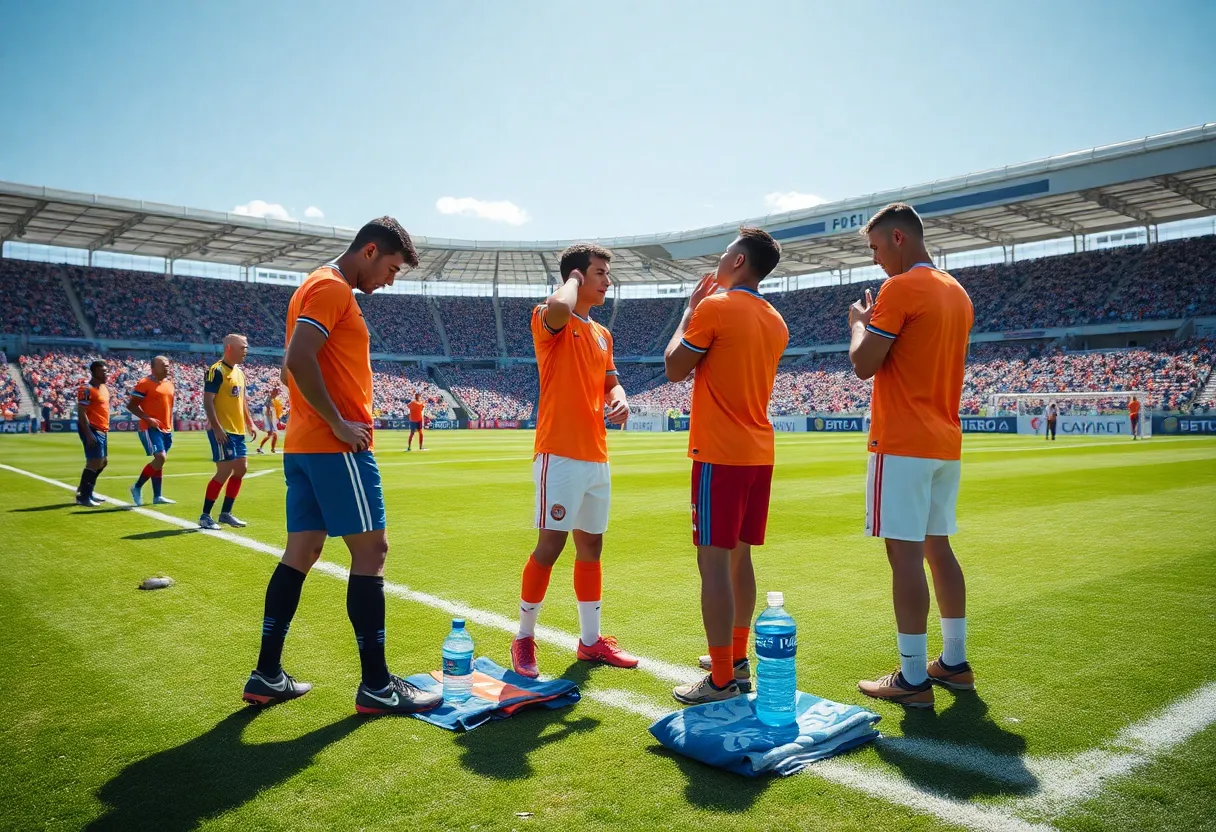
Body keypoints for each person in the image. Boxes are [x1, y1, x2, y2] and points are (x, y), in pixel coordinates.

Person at [242, 216, 441, 715]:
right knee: (372, 550)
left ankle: (266, 674)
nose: (391, 280)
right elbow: (299, 357)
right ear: (370, 251)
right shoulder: (333, 289)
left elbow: (292, 367)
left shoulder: (313, 284)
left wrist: (315, 417)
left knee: (302, 552)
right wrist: (337, 421)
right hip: (337, 448)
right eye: (392, 268)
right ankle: (376, 684)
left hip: (304, 446)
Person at [847, 202, 975, 709]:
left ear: (899, 238)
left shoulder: (900, 290)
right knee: (937, 547)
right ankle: (955, 662)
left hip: (901, 441)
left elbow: (864, 363)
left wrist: (859, 321)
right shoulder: (957, 292)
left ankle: (913, 677)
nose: (876, 260)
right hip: (945, 440)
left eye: (876, 248)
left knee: (903, 555)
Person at [662, 227, 788, 704]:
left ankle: (721, 680)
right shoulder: (776, 320)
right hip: (759, 451)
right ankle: (735, 658)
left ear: (738, 262)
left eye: (724, 253)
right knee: (740, 557)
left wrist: (689, 311)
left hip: (720, 452)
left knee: (711, 561)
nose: (719, 260)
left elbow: (674, 367)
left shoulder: (715, 307)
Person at [510, 243, 638, 679]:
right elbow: (558, 305)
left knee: (592, 545)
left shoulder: (603, 335)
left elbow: (612, 385)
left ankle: (590, 642)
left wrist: (620, 401)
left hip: (596, 455)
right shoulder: (550, 319)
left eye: (606, 273)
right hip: (558, 454)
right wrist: (572, 282)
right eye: (599, 273)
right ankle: (524, 637)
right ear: (578, 277)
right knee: (551, 545)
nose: (608, 281)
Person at [200, 335, 259, 530]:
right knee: (224, 471)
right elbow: (208, 400)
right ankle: (205, 516)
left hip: (238, 430)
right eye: (243, 347)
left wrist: (249, 422)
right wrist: (216, 428)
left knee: (240, 470)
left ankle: (225, 513)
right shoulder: (215, 371)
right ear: (229, 348)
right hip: (222, 431)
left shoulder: (240, 372)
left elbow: (241, 400)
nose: (246, 351)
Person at [128, 355, 176, 507]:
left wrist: (170, 426)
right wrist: (148, 419)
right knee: (160, 458)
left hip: (166, 428)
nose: (167, 367)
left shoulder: (169, 384)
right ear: (154, 368)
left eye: (168, 364)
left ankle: (158, 496)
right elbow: (132, 406)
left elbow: (169, 408)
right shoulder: (144, 383)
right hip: (150, 427)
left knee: (159, 462)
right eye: (163, 365)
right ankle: (137, 487)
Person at [75, 360, 110, 507]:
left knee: (103, 462)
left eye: (106, 371)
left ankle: (86, 490)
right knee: (94, 462)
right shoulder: (86, 389)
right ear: (94, 372)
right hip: (91, 429)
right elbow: (82, 413)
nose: (106, 373)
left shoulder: (104, 388)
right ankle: (84, 497)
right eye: (103, 371)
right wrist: (88, 433)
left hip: (102, 429)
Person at [256, 386, 284, 454]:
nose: (277, 393)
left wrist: (277, 419)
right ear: (273, 392)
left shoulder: (273, 399)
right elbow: (268, 410)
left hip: (272, 418)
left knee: (274, 435)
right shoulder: (269, 399)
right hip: (269, 418)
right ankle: (260, 448)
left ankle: (272, 449)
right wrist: (270, 420)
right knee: (271, 434)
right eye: (276, 392)